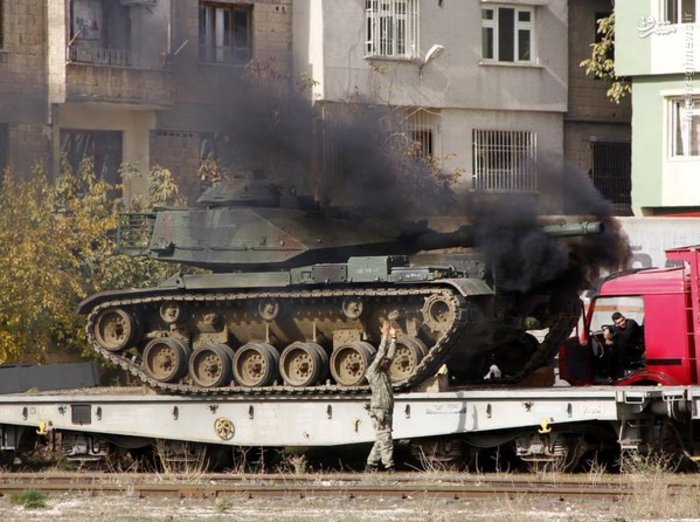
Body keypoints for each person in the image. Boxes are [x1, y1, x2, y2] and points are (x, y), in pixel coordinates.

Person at [364, 313, 399, 473]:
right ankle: (389, 466)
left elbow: (390, 355)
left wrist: (393, 338)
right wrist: (384, 335)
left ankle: (370, 465)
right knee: (386, 439)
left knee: (381, 438)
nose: (386, 361)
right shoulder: (373, 371)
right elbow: (380, 355)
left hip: (386, 409)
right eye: (382, 360)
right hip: (379, 410)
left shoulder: (384, 371)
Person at [603, 312, 644, 377]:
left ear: (624, 318)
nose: (622, 323)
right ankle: (610, 372)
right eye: (618, 323)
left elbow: (626, 337)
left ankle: (627, 368)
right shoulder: (618, 327)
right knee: (611, 348)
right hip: (630, 347)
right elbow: (619, 333)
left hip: (638, 347)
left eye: (622, 320)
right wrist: (607, 329)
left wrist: (613, 329)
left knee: (620, 343)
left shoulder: (631, 323)